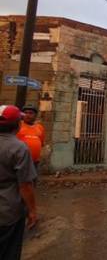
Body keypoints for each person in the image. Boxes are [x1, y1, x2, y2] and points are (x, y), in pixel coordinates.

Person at [0, 105, 37, 259]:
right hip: (8, 212)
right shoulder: (18, 148)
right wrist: (32, 211)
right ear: (18, 124)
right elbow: (25, 186)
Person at [16, 104, 45, 170]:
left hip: (35, 162)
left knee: (33, 179)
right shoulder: (18, 126)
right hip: (20, 161)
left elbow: (41, 143)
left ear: (35, 115)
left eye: (31, 113)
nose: (27, 115)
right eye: (25, 113)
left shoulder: (40, 127)